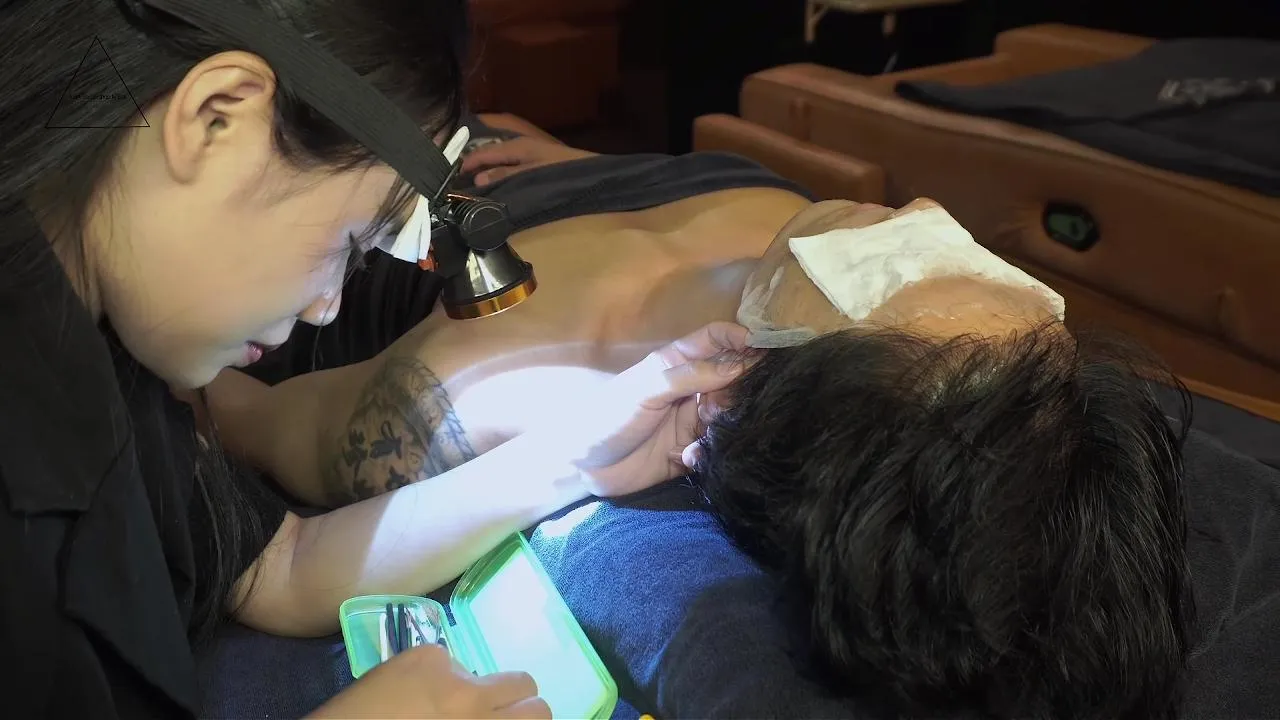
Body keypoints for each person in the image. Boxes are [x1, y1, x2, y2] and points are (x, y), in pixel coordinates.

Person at [191, 116, 1278, 720]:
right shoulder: (814, 269)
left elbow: (231, 417)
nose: (924, 210)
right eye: (990, 271)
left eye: (904, 265)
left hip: (451, 189)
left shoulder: (467, 392)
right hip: (599, 160)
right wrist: (595, 161)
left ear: (761, 381)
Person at [0, 4, 746, 718]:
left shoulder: (107, 351)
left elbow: (279, 569)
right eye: (349, 242)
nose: (326, 307)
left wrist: (573, 459)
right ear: (215, 119)